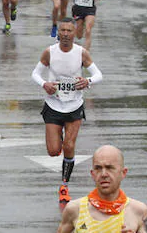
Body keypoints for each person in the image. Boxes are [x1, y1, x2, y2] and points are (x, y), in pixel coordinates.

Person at [31, 18, 103, 204]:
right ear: (58, 32)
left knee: (69, 146)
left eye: (69, 31)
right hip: (54, 105)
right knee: (54, 151)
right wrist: (44, 84)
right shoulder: (50, 52)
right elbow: (35, 74)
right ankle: (58, 139)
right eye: (62, 30)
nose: (65, 34)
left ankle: (64, 186)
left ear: (73, 33)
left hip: (74, 105)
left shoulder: (81, 53)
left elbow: (98, 75)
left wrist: (88, 81)